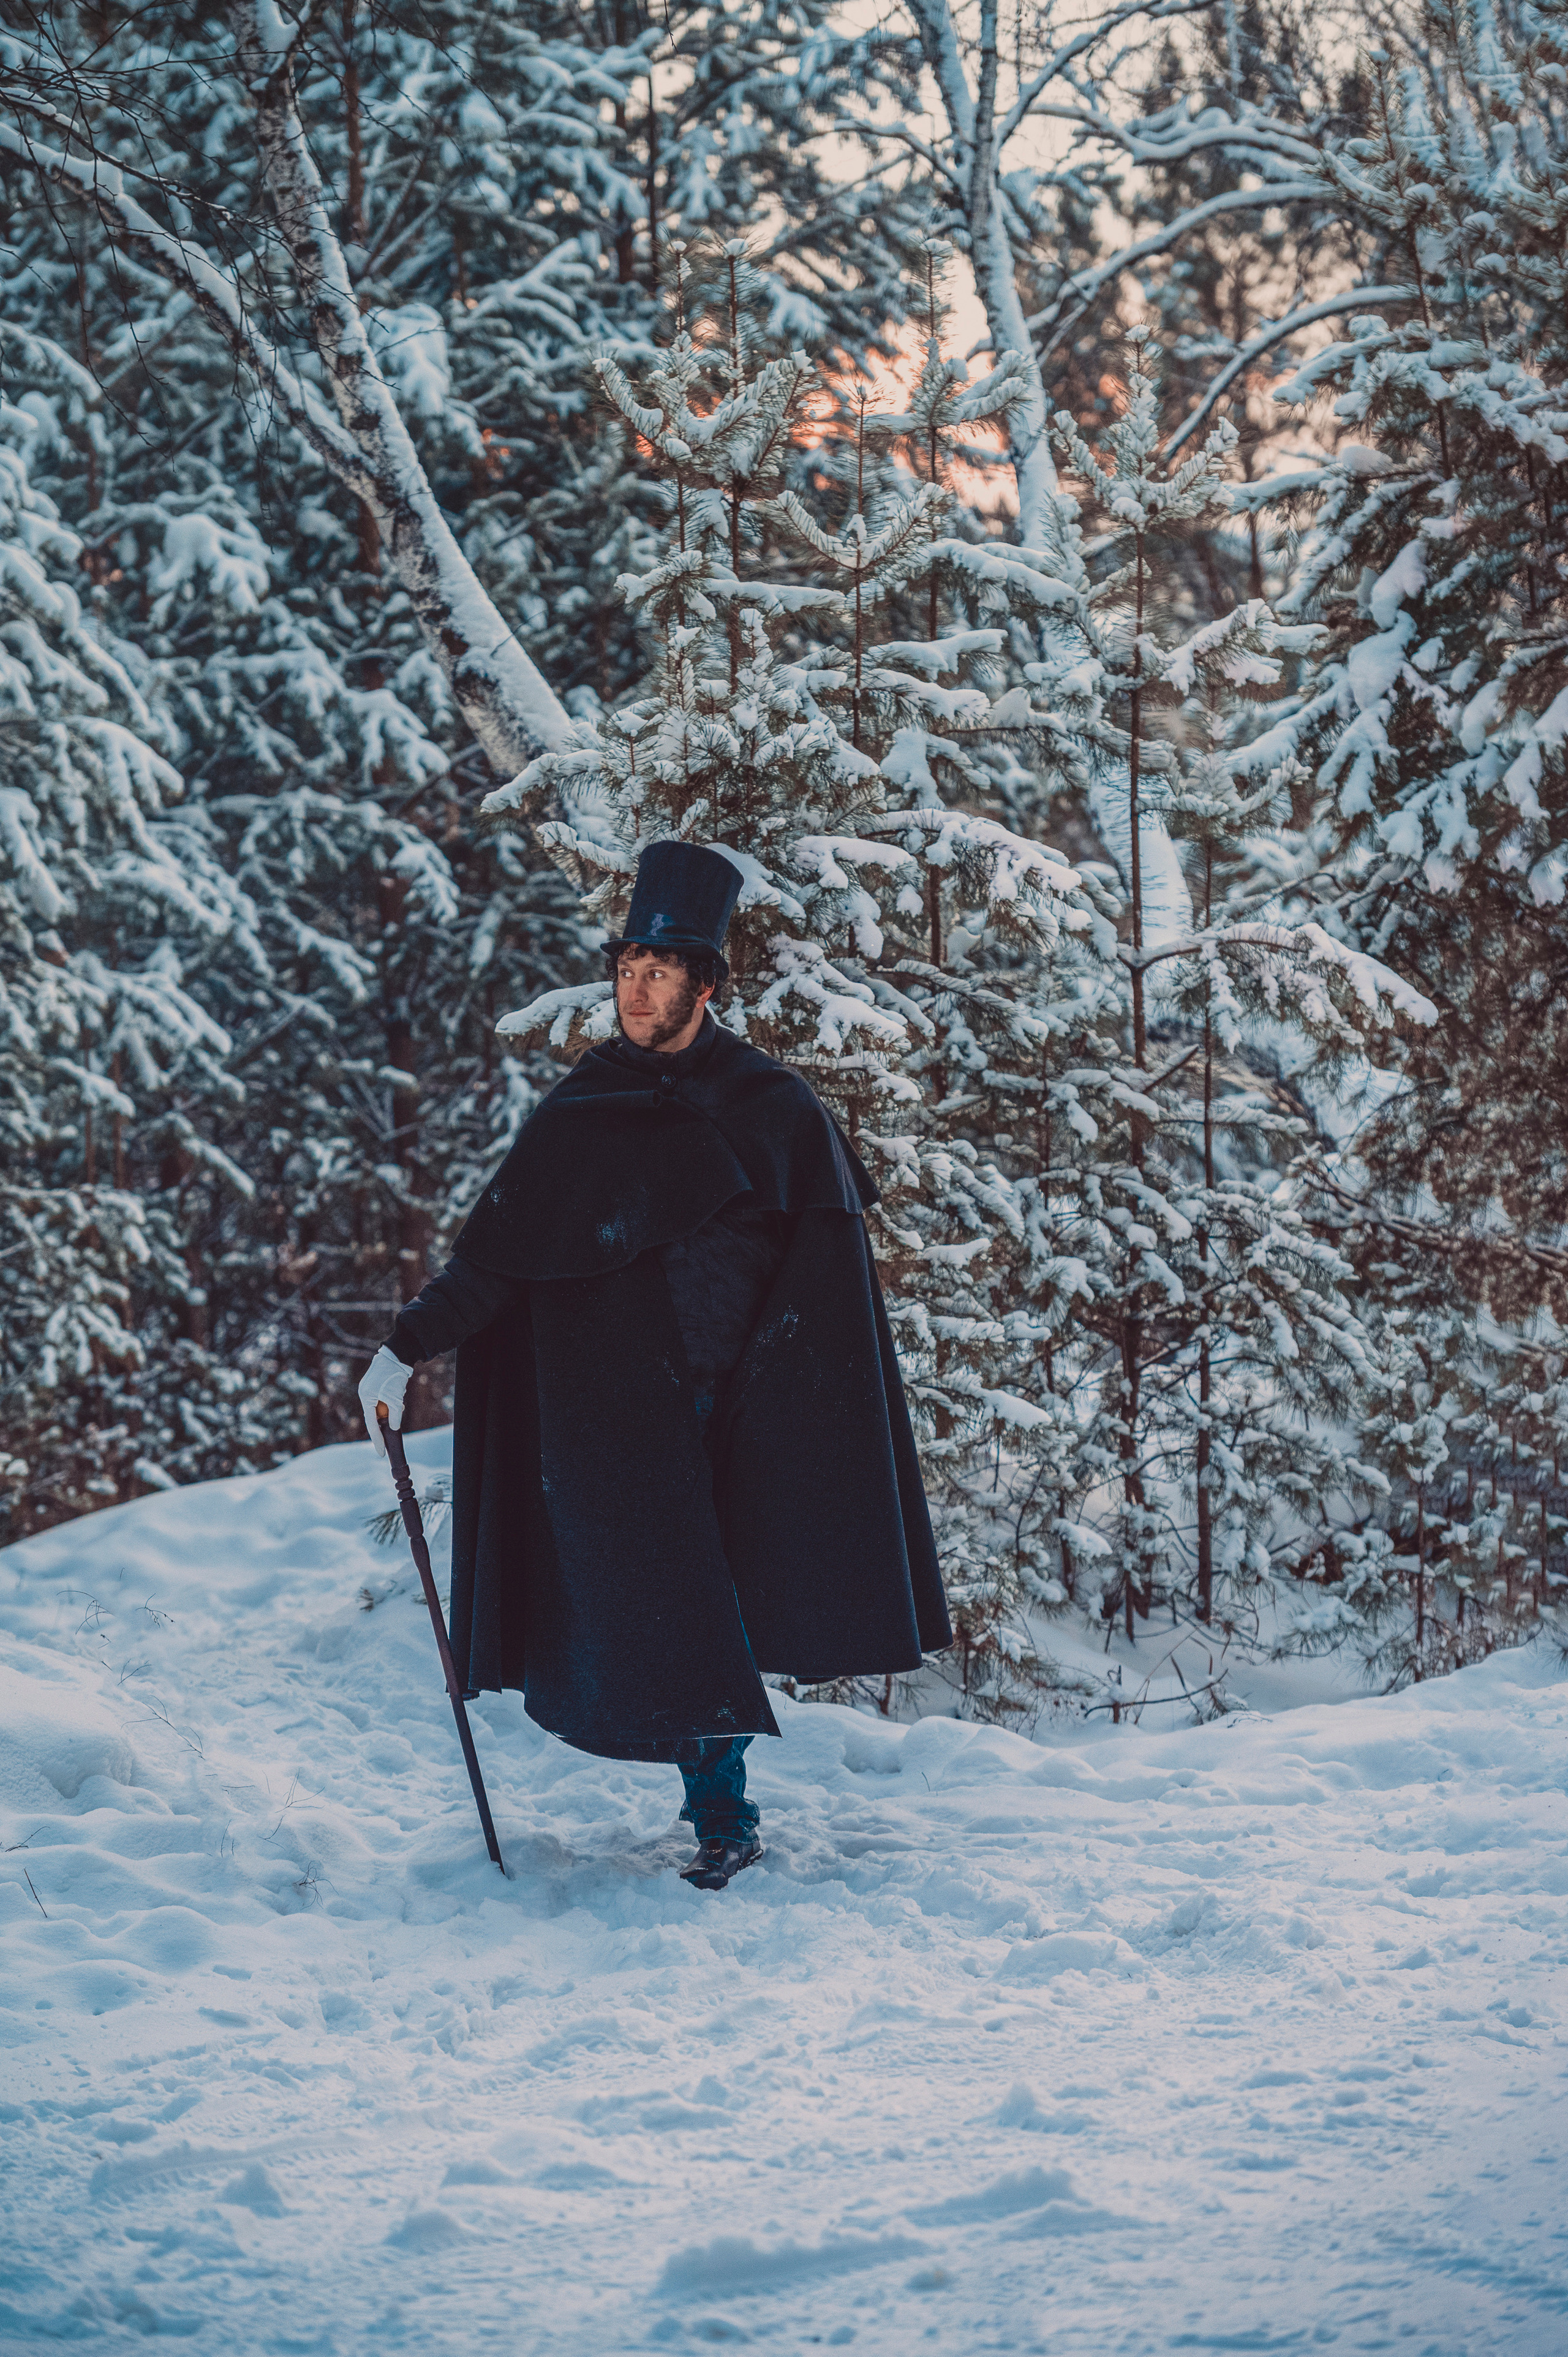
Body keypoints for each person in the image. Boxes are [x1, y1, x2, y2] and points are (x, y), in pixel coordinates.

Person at [357, 839, 950, 1891]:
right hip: (624, 1419)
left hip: (758, 1410)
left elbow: (830, 1267)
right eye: (627, 971)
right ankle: (722, 1814)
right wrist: (404, 1348)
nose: (636, 990)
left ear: (705, 985)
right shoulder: (582, 1114)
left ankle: (721, 1809)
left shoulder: (774, 1107)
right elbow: (495, 1261)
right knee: (673, 1608)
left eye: (660, 972)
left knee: (717, 1604)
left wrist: (795, 1377)